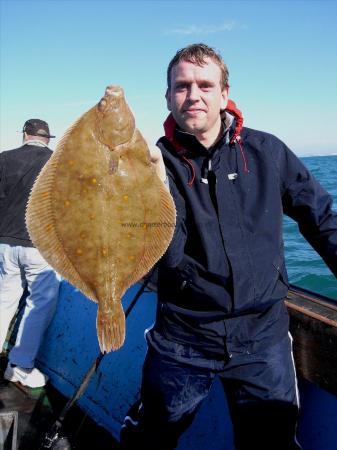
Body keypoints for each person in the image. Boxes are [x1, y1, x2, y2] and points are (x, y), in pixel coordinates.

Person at [120, 44, 337, 450]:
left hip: (263, 336)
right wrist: (150, 191)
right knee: (150, 438)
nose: (194, 94)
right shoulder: (151, 166)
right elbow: (155, 256)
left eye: (205, 84)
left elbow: (321, 218)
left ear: (225, 94)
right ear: (168, 97)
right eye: (182, 86)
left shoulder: (267, 151)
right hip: (183, 337)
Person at [0, 119, 60, 388]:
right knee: (39, 305)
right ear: (48, 138)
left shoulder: (4, 158)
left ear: (25, 135)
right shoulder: (58, 163)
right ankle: (20, 366)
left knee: (4, 299)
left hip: (5, 243)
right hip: (40, 246)